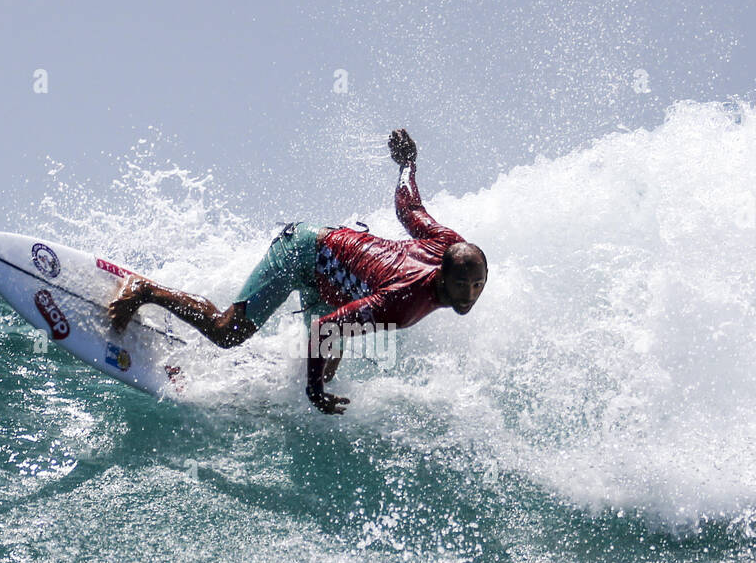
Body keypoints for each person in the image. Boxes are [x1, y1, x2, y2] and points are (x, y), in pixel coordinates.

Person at [108, 129, 487, 414]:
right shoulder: (404, 303)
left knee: (328, 369)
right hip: (303, 252)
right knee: (230, 332)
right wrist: (312, 394)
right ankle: (145, 290)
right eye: (461, 285)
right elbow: (327, 328)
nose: (469, 294)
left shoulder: (450, 244)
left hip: (333, 278)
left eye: (476, 285)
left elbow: (410, 208)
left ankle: (286, 382)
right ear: (441, 275)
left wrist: (407, 165)